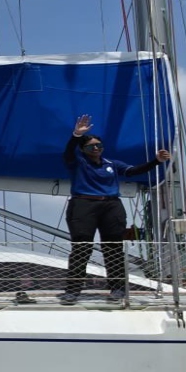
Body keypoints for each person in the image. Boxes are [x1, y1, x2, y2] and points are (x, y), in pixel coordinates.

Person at [60, 114, 171, 304]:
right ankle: (72, 291)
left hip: (111, 206)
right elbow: (69, 152)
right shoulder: (78, 162)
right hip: (83, 205)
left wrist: (156, 161)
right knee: (81, 248)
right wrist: (76, 135)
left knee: (113, 248)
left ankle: (117, 288)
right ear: (83, 149)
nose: (96, 148)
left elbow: (133, 171)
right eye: (91, 146)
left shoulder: (112, 164)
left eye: (99, 146)